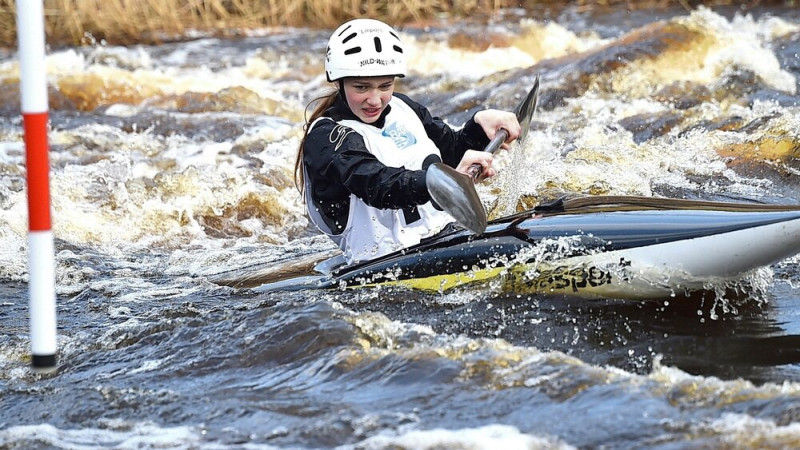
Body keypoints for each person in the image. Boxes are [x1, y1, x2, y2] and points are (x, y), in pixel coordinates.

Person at [295, 18, 521, 264]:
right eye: (361, 87)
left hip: (445, 237)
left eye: (385, 85)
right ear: (339, 82)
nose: (375, 99)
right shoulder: (327, 138)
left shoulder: (403, 107)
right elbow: (377, 184)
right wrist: (440, 183)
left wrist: (479, 127)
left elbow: (452, 151)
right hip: (382, 265)